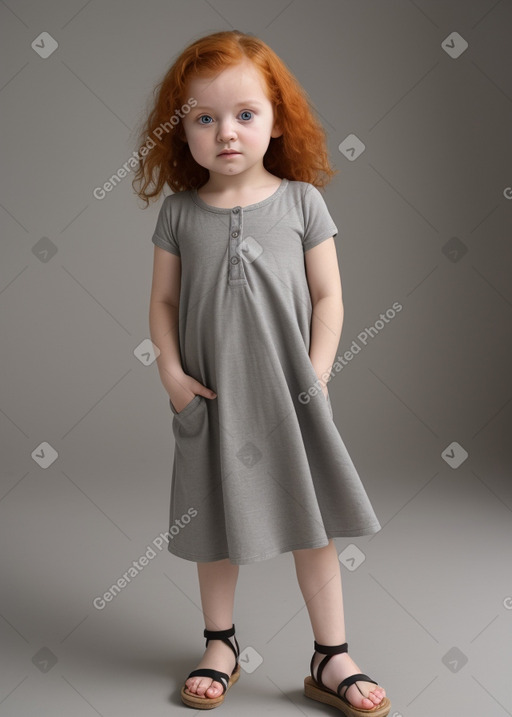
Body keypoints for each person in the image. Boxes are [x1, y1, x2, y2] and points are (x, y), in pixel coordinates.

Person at [132, 29, 390, 716]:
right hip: (213, 402)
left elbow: (331, 296)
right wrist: (172, 372)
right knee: (214, 520)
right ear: (180, 129)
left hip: (291, 398)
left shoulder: (303, 202)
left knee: (313, 525)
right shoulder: (179, 214)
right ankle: (220, 643)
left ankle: (330, 652)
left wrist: (318, 370)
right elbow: (161, 301)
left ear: (277, 119)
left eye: (245, 114)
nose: (226, 133)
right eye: (204, 118)